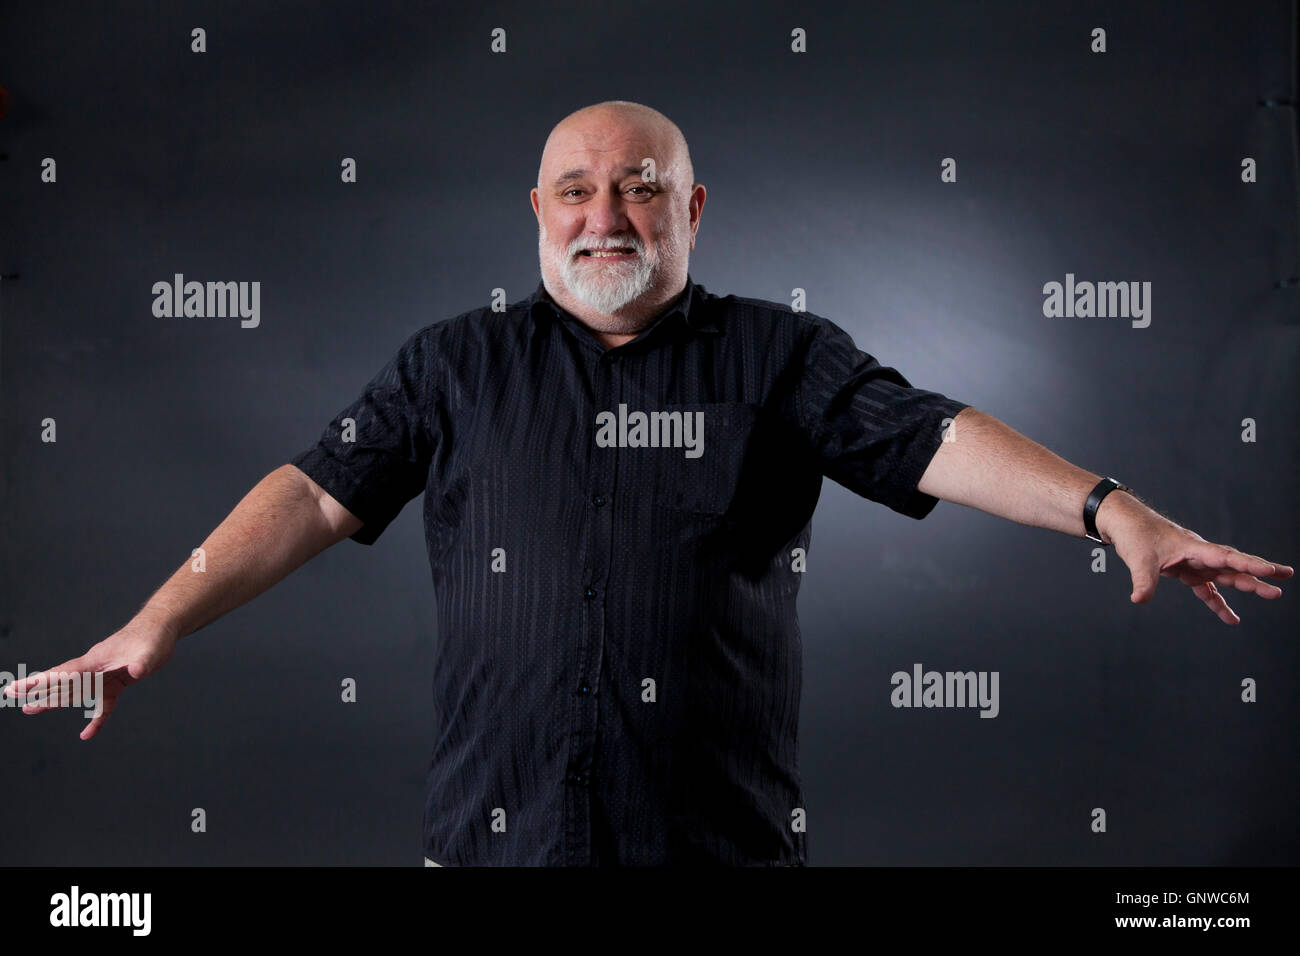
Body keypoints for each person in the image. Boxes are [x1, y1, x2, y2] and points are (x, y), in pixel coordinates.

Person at [8, 101, 1291, 867]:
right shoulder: (453, 363)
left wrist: (1111, 505)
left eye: (639, 186)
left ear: (692, 207)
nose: (604, 213)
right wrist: (154, 620)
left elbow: (933, 437)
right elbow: (311, 491)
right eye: (576, 188)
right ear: (537, 209)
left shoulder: (782, 353)